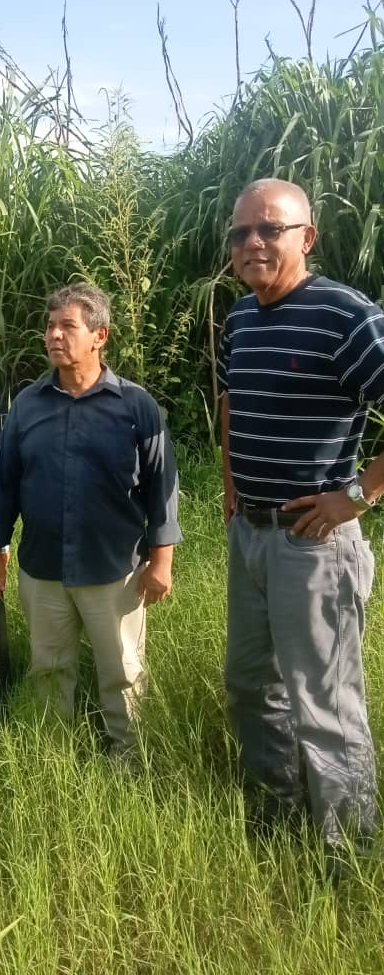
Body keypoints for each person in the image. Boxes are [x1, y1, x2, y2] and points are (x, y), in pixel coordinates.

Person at [218, 178, 384, 864]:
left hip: (313, 545)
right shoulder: (239, 320)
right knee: (251, 686)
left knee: (324, 703)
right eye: (240, 233)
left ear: (306, 238)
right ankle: (279, 821)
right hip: (249, 537)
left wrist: (359, 496)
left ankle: (351, 853)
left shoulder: (347, 316)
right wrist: (230, 490)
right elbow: (231, 405)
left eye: (270, 230)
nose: (252, 242)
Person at [0, 283, 181, 759]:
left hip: (114, 569)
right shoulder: (28, 405)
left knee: (122, 670)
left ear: (99, 336)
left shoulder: (135, 407)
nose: (53, 335)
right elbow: (4, 486)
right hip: (42, 568)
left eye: (67, 326)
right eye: (50, 326)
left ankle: (128, 758)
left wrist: (162, 562)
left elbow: (161, 488)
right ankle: (55, 758)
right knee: (48, 668)